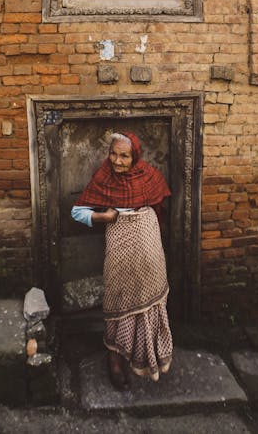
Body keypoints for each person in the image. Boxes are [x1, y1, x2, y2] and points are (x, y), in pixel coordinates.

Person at [71, 131, 173, 390]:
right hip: (119, 245)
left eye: (124, 156)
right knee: (117, 298)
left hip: (149, 244)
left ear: (135, 156)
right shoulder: (104, 177)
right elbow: (77, 211)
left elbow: (160, 203)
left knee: (149, 298)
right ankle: (114, 358)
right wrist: (101, 218)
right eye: (113, 154)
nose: (117, 161)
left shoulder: (148, 175)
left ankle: (148, 354)